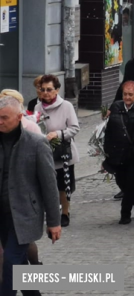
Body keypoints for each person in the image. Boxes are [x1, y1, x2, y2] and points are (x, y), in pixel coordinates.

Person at [0, 96, 61, 296]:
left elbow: (49, 185)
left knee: (9, 262)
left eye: (4, 118)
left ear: (19, 117)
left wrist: (54, 221)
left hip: (25, 215)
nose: (0, 121)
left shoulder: (36, 143)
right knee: (19, 264)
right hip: (2, 215)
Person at [34, 75, 80, 228]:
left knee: (63, 185)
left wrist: (58, 134)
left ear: (57, 90)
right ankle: (50, 212)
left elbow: (75, 128)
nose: (46, 93)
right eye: (43, 89)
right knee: (47, 184)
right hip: (44, 152)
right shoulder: (37, 107)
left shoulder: (66, 106)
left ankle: (65, 213)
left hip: (63, 152)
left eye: (49, 89)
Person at [106, 81, 134, 225]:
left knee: (130, 183)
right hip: (117, 152)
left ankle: (125, 214)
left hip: (133, 153)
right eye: (125, 94)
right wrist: (107, 150)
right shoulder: (116, 106)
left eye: (130, 94)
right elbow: (109, 129)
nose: (127, 97)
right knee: (120, 180)